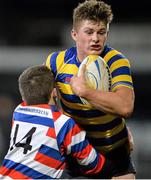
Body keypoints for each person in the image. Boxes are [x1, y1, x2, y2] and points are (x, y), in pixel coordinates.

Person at [45, 0, 136, 179]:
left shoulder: (117, 61)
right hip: (78, 154)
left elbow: (125, 107)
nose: (95, 38)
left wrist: (84, 91)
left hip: (115, 151)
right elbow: (46, 108)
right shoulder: (56, 62)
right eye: (89, 32)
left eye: (101, 32)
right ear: (74, 34)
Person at [0, 65, 118, 179]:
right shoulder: (63, 124)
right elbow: (95, 165)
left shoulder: (19, 112)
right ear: (54, 92)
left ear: (23, 96)